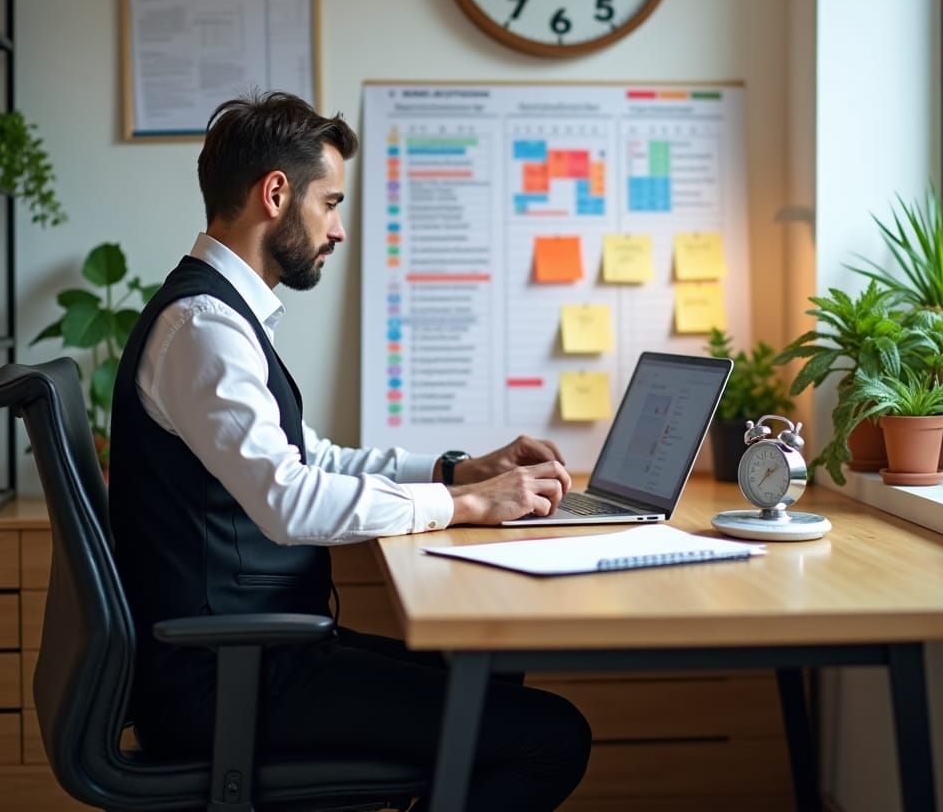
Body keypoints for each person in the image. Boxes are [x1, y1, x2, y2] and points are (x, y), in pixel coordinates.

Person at [109, 91, 591, 811]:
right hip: (226, 680)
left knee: (491, 678)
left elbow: (311, 458)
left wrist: (458, 472)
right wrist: (462, 507)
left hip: (253, 657)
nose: (337, 230)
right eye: (329, 203)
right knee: (552, 736)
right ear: (276, 194)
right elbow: (288, 502)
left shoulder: (221, 316)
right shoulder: (204, 327)